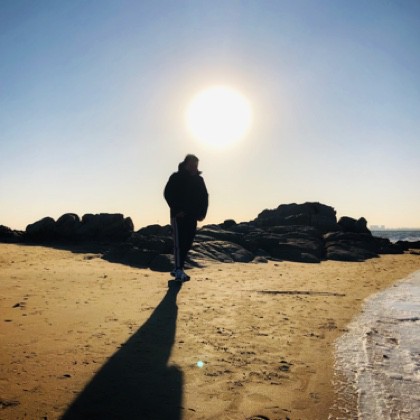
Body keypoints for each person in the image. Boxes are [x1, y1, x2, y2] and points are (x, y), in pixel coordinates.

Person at [164, 154, 208, 282]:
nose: (194, 167)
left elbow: (204, 197)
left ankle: (178, 268)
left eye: (196, 165)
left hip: (192, 216)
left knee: (188, 243)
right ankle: (178, 269)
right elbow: (168, 193)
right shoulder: (176, 177)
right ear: (186, 164)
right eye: (192, 165)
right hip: (178, 216)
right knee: (179, 243)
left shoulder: (199, 180)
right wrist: (177, 210)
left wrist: (201, 214)